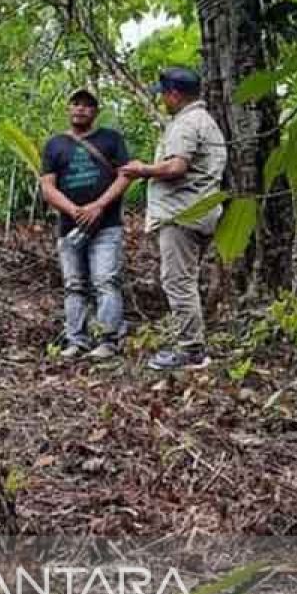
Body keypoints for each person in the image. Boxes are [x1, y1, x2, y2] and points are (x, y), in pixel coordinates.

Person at [121, 67, 227, 371]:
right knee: (185, 280)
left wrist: (142, 169)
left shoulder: (187, 123)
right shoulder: (205, 121)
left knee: (177, 281)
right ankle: (190, 342)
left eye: (165, 94)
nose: (163, 100)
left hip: (183, 215)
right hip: (198, 212)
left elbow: (176, 167)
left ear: (175, 94)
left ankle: (191, 350)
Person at [40, 89, 133, 361]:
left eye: (87, 106)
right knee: (74, 284)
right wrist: (73, 210)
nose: (80, 109)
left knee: (106, 281)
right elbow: (47, 186)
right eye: (75, 104)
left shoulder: (111, 139)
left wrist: (99, 206)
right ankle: (76, 341)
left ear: (96, 111)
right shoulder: (55, 144)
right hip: (69, 227)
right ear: (68, 109)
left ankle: (107, 340)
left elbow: (125, 176)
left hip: (106, 226)